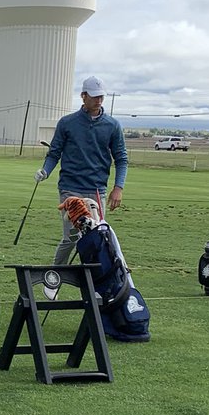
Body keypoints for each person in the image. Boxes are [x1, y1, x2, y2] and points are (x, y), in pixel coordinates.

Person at [35, 75, 128, 280]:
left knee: (97, 238)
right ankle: (53, 279)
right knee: (72, 236)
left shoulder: (112, 125)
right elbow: (54, 153)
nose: (99, 100)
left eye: (101, 96)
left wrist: (118, 187)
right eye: (94, 96)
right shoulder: (67, 123)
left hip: (97, 190)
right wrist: (45, 171)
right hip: (70, 188)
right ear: (83, 96)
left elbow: (121, 159)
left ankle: (97, 285)